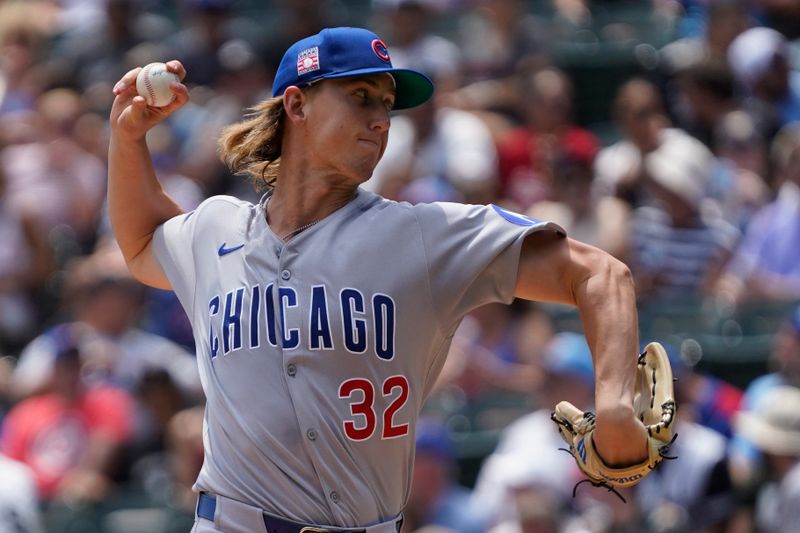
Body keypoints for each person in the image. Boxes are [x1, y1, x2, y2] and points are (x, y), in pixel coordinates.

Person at [108, 26, 650, 533]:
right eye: (360, 98)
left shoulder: (423, 235)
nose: (381, 119)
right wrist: (128, 137)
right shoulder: (216, 230)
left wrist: (615, 403)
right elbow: (139, 242)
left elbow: (601, 273)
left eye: (387, 105)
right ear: (296, 104)